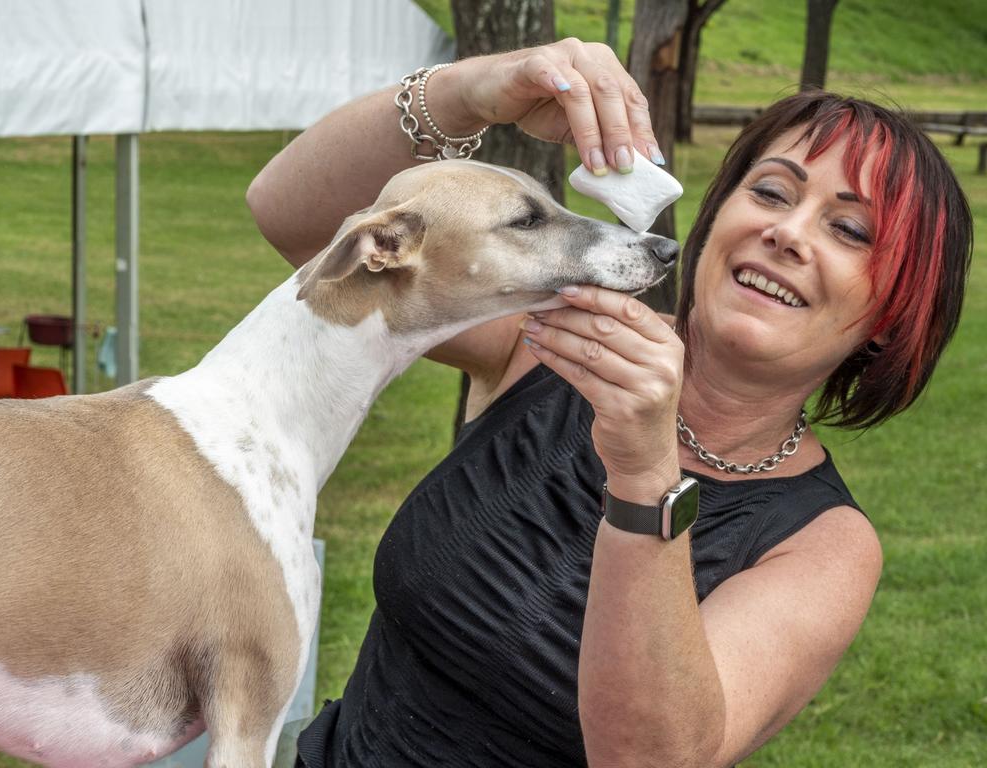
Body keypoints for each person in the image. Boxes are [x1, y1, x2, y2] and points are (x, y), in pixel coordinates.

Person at [246, 39, 972, 768]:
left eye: (848, 229)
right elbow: (296, 221)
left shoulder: (823, 548)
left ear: (892, 316)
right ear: (715, 217)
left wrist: (645, 475)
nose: (785, 232)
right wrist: (471, 92)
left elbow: (647, 758)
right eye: (772, 192)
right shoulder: (554, 337)